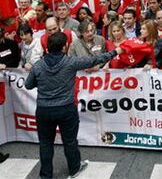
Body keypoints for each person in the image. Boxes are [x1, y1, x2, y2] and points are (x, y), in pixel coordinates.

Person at [25, 32, 123, 179]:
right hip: (66, 109)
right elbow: (94, 59)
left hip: (44, 110)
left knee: (45, 144)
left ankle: (45, 175)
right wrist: (115, 52)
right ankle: (74, 169)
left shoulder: (38, 65)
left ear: (47, 48)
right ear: (64, 47)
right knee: (70, 141)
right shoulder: (71, 62)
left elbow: (28, 85)